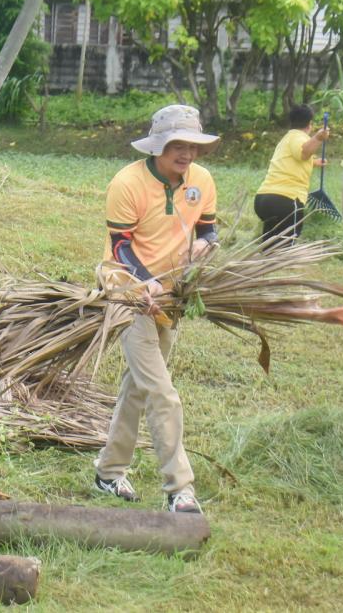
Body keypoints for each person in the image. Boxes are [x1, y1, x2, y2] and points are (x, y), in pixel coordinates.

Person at [95, 104, 219, 514]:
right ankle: (180, 489)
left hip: (172, 298)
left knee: (139, 387)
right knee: (163, 394)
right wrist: (143, 282)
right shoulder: (127, 183)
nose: (186, 154)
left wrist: (206, 244)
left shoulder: (201, 180)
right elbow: (120, 246)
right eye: (177, 146)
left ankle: (108, 472)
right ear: (158, 147)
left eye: (192, 146)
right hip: (130, 297)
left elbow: (208, 227)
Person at [253, 105, 329, 247]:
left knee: (270, 244)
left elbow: (292, 160)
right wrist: (318, 138)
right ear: (310, 124)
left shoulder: (286, 139)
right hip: (285, 201)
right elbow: (303, 152)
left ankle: (264, 264)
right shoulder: (299, 137)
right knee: (285, 248)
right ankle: (279, 266)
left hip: (263, 199)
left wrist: (313, 162)